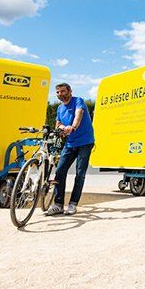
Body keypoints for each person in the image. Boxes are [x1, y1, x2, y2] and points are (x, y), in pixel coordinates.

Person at [46, 83, 95, 216]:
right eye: (57, 92)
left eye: (62, 91)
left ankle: (73, 204)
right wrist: (60, 129)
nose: (60, 94)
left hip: (85, 142)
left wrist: (72, 127)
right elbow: (58, 124)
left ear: (70, 92)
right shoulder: (59, 108)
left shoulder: (78, 101)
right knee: (60, 172)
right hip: (70, 143)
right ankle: (58, 204)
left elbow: (78, 115)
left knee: (80, 173)